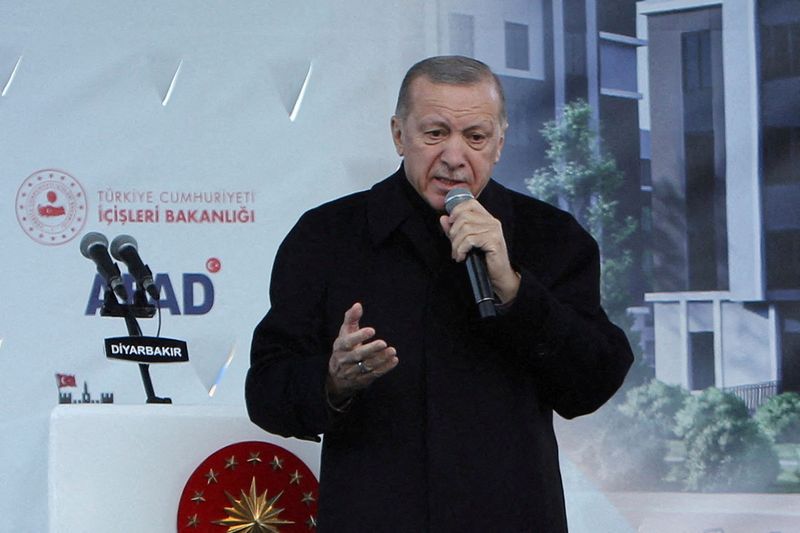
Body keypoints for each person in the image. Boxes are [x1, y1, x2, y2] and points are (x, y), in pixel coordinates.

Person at [246, 55, 633, 532]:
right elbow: (265, 391)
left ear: (499, 142)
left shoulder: (551, 238)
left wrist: (514, 290)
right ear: (398, 135)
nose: (454, 156)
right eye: (435, 134)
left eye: (475, 137)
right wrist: (332, 380)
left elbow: (592, 383)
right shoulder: (326, 237)